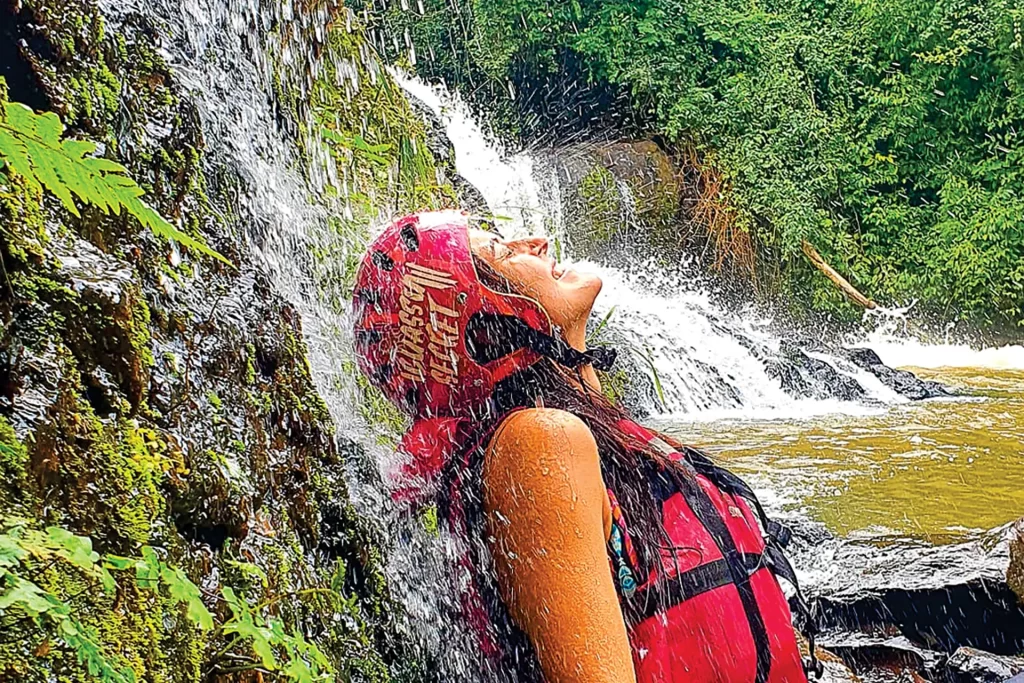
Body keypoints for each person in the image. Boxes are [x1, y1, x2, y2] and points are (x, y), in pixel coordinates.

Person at [352, 211, 818, 683]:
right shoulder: (538, 446)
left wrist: (576, 360)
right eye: (502, 251)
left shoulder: (574, 429)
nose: (535, 241)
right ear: (482, 325)